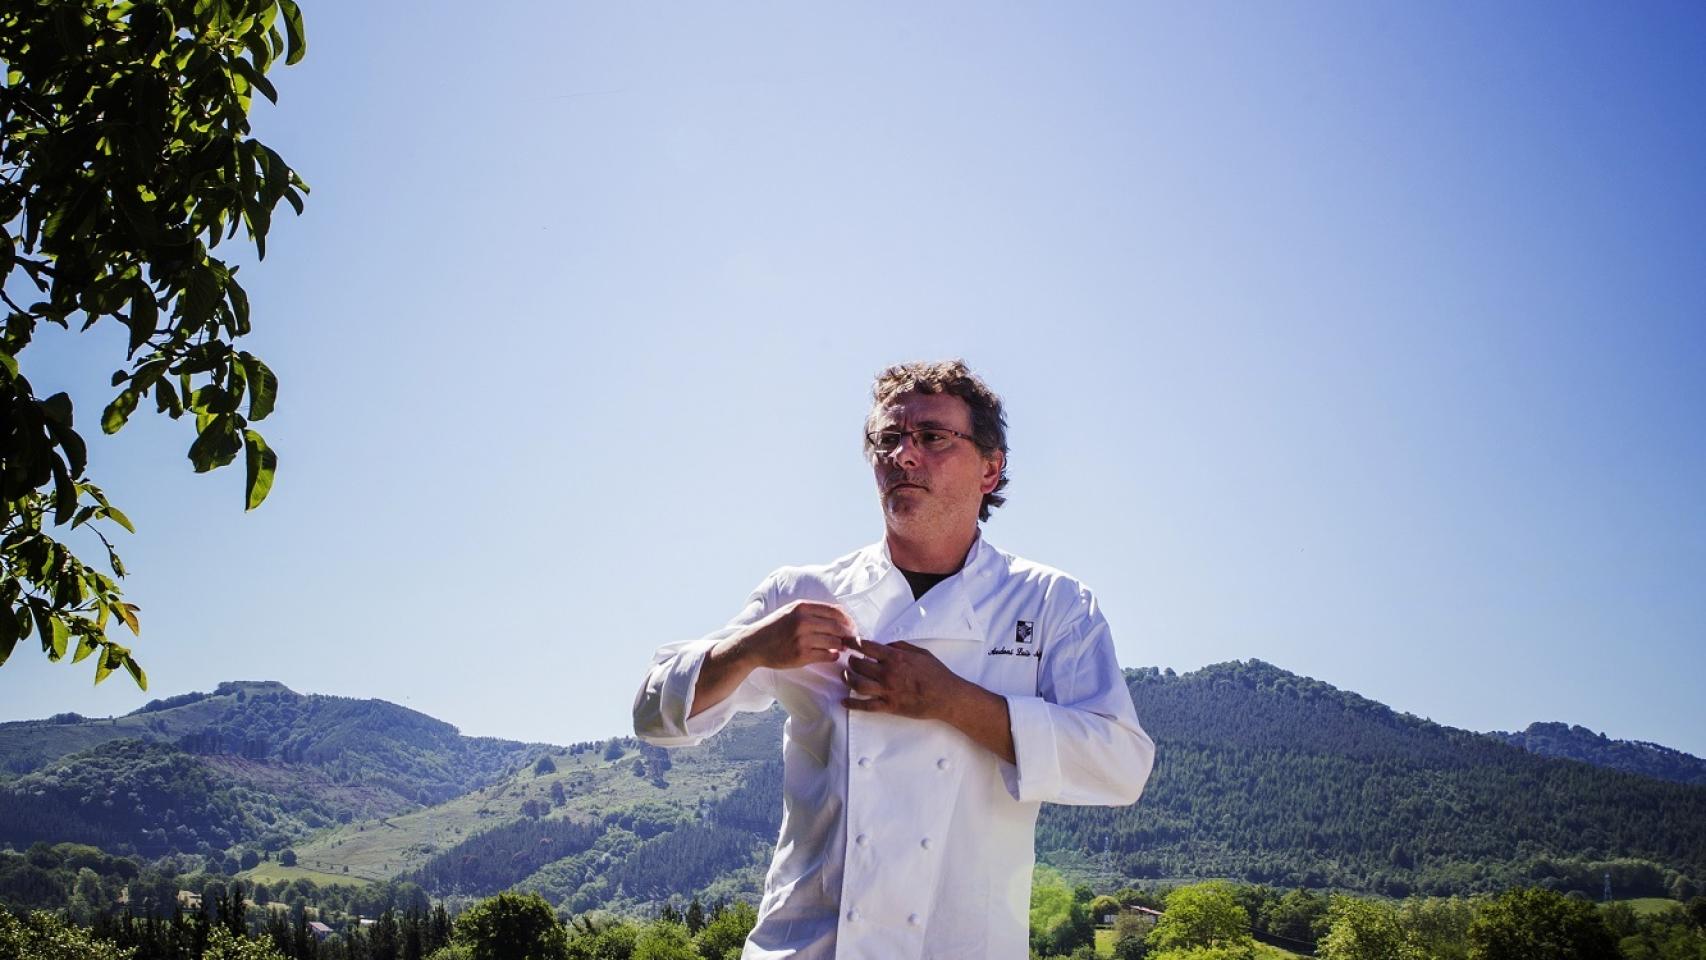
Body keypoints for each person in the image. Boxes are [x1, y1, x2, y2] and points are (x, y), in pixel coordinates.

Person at [633, 359, 1154, 960]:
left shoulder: (1051, 603)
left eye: (932, 437)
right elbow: (652, 714)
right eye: (888, 439)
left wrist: (950, 701)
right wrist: (749, 649)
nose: (903, 455)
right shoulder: (803, 593)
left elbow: (1121, 765)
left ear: (990, 468)